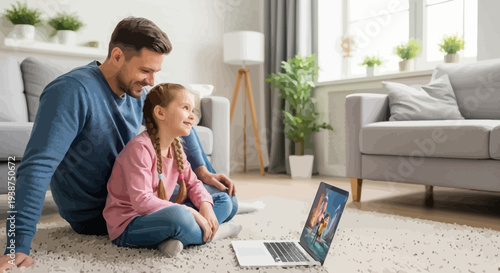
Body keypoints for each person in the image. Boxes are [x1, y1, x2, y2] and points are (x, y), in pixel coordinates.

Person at [0, 17, 237, 271]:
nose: (151, 81)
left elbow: (176, 121)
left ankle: (179, 232)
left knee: (225, 199)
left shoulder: (137, 92)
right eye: (145, 71)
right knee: (184, 216)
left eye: (155, 72)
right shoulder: (71, 91)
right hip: (104, 214)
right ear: (116, 56)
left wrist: (202, 171)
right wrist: (17, 246)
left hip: (148, 200)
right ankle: (197, 231)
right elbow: (36, 168)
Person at [104, 83, 241, 257]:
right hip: (129, 224)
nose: (192, 117)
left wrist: (204, 205)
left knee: (224, 200)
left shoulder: (176, 148)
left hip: (159, 213)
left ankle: (170, 241)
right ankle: (220, 232)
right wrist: (190, 211)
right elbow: (142, 202)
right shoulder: (140, 148)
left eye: (192, 110)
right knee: (178, 216)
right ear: (160, 113)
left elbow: (193, 184)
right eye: (185, 108)